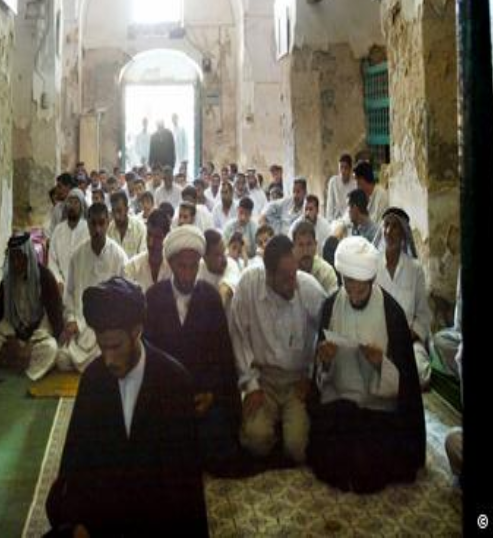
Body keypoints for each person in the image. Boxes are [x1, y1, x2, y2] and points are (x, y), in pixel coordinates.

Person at [45, 277, 208, 537]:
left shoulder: (174, 381)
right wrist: (78, 524)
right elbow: (76, 464)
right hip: (103, 519)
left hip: (157, 521)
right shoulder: (93, 380)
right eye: (102, 346)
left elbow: (185, 482)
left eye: (116, 346)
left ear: (136, 331)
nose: (107, 359)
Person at [308, 236, 425, 493]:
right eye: (348, 282)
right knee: (329, 461)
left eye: (361, 285)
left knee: (366, 471)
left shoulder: (391, 313)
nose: (354, 290)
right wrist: (324, 362)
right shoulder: (330, 306)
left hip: (378, 409)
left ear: (372, 280)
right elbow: (319, 378)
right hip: (340, 402)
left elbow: (404, 386)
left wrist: (380, 364)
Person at [144, 226, 242, 474]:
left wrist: (211, 395)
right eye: (182, 266)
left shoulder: (210, 298)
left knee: (218, 451)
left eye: (193, 266)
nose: (187, 274)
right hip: (166, 399)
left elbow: (222, 357)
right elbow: (147, 356)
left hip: (204, 398)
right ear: (171, 264)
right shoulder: (154, 298)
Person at [229, 235, 327, 465]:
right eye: (285, 278)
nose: (293, 284)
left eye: (294, 274)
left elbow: (328, 332)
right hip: (263, 378)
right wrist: (250, 386)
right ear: (268, 274)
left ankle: (286, 430)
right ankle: (272, 429)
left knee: (297, 450)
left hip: (297, 380)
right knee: (255, 440)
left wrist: (313, 376)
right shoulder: (249, 285)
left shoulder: (308, 288)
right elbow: (238, 337)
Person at [56, 202, 130, 372]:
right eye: (93, 224)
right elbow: (69, 294)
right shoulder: (78, 255)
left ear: (108, 222)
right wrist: (71, 320)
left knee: (104, 355)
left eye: (101, 223)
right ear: (87, 224)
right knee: (62, 359)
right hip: (81, 329)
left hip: (108, 328)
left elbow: (125, 298)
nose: (97, 229)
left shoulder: (119, 256)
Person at [0, 233, 64, 380]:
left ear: (29, 256)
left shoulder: (45, 278)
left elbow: (50, 319)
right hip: (14, 339)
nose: (16, 263)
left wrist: (29, 346)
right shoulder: (7, 282)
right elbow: (0, 316)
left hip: (36, 342)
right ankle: (16, 360)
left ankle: (16, 364)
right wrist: (11, 339)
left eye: (20, 258)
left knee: (51, 349)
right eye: (13, 259)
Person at [375, 207, 433, 387]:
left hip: (407, 340)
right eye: (385, 225)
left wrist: (404, 339)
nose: (388, 232)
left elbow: (423, 315)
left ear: (403, 234)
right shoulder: (372, 265)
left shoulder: (415, 269)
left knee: (421, 375)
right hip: (377, 338)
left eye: (395, 227)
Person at [48, 189, 89, 291]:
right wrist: (58, 281)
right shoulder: (58, 230)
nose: (72, 206)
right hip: (61, 288)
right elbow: (52, 260)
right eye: (70, 202)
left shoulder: (88, 230)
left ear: (81, 206)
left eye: (76, 202)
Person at [123, 209, 172, 291]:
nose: (150, 243)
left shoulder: (173, 268)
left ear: (167, 238)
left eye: (157, 237)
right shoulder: (133, 267)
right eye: (149, 235)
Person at [108, 190, 147, 258]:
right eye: (114, 211)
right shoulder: (109, 230)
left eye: (119, 211)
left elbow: (142, 257)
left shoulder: (140, 228)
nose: (116, 216)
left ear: (127, 209)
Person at [353, 160, 389, 226]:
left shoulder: (382, 196)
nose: (356, 185)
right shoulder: (361, 195)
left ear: (362, 180)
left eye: (357, 181)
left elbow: (380, 227)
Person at [324, 154, 356, 223]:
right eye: (341, 167)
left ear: (350, 169)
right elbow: (330, 205)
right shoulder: (333, 181)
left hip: (349, 221)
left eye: (346, 168)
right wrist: (329, 222)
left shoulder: (355, 184)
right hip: (335, 220)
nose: (343, 171)